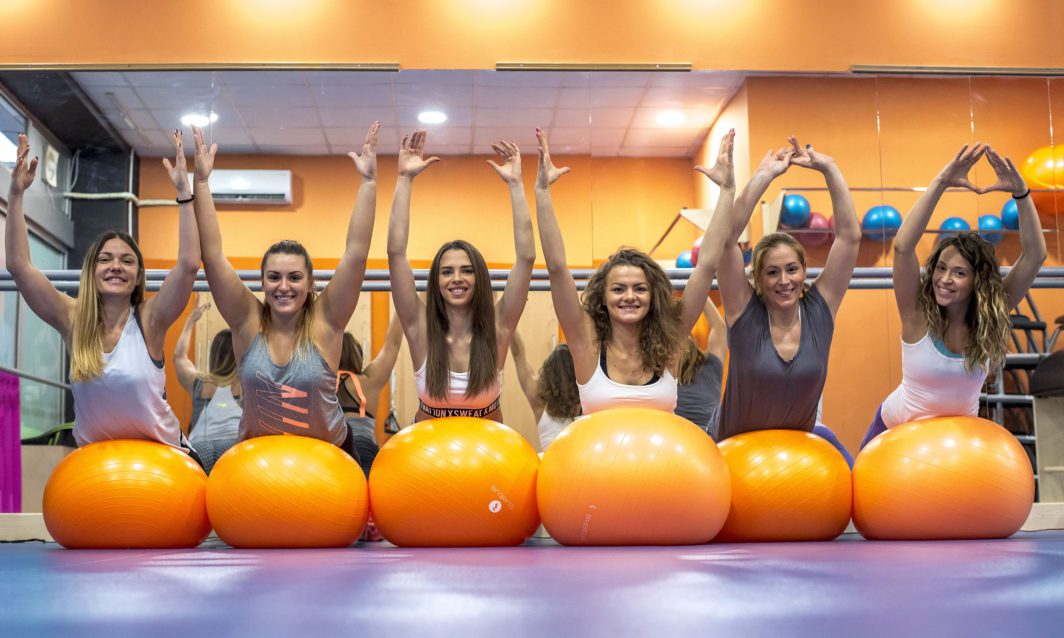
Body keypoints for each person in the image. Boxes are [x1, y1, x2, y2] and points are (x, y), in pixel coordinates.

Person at [190, 122, 378, 462]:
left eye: (294, 277)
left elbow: (356, 254)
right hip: (259, 462)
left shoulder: (326, 321)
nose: (284, 287)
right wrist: (201, 184)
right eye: (274, 277)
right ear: (263, 282)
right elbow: (213, 256)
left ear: (310, 283)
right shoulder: (246, 321)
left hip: (328, 461)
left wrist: (368, 183)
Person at [4, 131, 200, 454]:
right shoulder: (72, 318)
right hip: (97, 468)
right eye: (105, 259)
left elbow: (190, 264)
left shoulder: (149, 320)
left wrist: (183, 192)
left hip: (162, 463)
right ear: (91, 270)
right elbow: (19, 266)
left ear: (138, 276)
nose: (116, 267)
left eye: (127, 261)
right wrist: (15, 194)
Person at [534, 128, 736, 414]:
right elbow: (556, 268)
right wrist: (542, 192)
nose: (629, 296)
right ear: (603, 297)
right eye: (618, 289)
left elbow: (706, 266)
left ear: (652, 296)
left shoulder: (671, 341)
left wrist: (727, 192)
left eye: (640, 288)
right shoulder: (586, 342)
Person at [860, 143, 1046, 448]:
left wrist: (1022, 195)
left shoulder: (989, 316)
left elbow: (1034, 256)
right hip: (894, 438)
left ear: (977, 282)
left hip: (954, 447)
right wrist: (942, 182)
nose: (944, 279)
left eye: (959, 273)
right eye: (941, 268)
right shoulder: (917, 314)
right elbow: (903, 247)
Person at [709, 136, 861, 458]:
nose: (784, 281)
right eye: (772, 272)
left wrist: (830, 169)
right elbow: (725, 241)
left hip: (792, 463)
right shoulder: (743, 312)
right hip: (733, 456)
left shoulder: (820, 310)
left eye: (792, 269)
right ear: (758, 278)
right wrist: (763, 176)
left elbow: (849, 237)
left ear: (804, 271)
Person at [387, 132, 534, 422]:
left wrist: (516, 185)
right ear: (436, 282)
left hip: (486, 449)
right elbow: (395, 252)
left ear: (480, 279)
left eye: (467, 270)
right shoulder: (419, 328)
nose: (457, 278)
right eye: (447, 272)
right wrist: (404, 179)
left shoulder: (498, 327)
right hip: (428, 449)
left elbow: (526, 257)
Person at [173, 302, 241, 473]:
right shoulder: (245, 384)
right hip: (233, 449)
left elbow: (179, 356)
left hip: (200, 448)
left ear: (214, 354)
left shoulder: (200, 383)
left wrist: (190, 320)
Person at [337, 314, 404, 476]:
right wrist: (403, 306)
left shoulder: (321, 382)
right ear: (358, 355)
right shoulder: (370, 381)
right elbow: (393, 344)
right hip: (364, 449)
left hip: (334, 451)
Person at [510, 332, 581, 450]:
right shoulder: (586, 401)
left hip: (551, 462)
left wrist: (509, 326)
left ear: (549, 374)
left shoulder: (539, 401)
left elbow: (518, 356)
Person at [675, 299, 727, 431]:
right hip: (694, 435)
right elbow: (719, 328)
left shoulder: (710, 365)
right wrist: (700, 293)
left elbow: (719, 328)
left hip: (690, 435)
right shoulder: (711, 365)